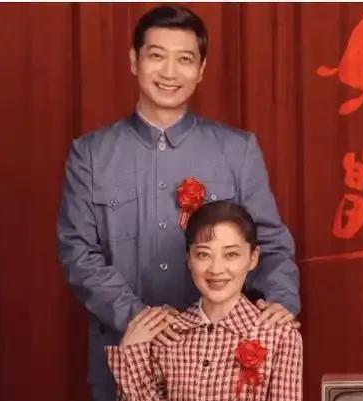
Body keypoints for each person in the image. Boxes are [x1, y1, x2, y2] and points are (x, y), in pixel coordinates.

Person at [57, 6, 299, 400]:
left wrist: (281, 300)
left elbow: (268, 241)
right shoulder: (90, 154)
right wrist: (137, 315)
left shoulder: (237, 150)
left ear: (201, 70)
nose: (169, 72)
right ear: (134, 61)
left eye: (184, 59)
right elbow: (78, 254)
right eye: (157, 55)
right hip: (126, 355)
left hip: (222, 366)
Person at [106, 201, 303, 401]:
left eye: (231, 254)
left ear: (253, 258)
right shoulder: (166, 335)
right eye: (203, 254)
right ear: (189, 259)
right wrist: (132, 351)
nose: (216, 269)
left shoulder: (281, 336)